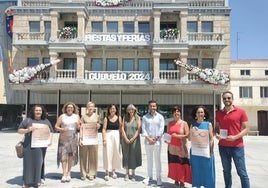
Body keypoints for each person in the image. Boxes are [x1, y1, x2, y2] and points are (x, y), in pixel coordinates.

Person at [215, 91, 250, 188]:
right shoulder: (218, 113)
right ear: (222, 100)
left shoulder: (241, 112)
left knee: (242, 172)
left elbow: (247, 128)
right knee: (226, 171)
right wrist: (216, 134)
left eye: (228, 98)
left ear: (232, 99)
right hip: (223, 147)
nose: (227, 100)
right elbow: (216, 127)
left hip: (237, 147)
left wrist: (235, 137)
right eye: (225, 98)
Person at [18, 105, 53, 188]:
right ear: (33, 111)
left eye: (40, 110)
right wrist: (27, 130)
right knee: (28, 164)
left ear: (42, 112)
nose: (38, 112)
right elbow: (19, 130)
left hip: (41, 147)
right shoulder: (28, 120)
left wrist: (50, 141)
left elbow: (51, 131)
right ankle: (26, 182)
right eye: (36, 110)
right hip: (28, 146)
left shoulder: (46, 121)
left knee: (39, 163)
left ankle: (37, 181)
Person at [189, 106, 215, 188]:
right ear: (195, 114)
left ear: (204, 114)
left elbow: (211, 139)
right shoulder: (192, 125)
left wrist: (211, 151)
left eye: (202, 112)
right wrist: (193, 131)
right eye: (198, 112)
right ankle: (197, 185)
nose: (200, 114)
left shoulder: (208, 124)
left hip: (206, 151)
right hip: (195, 152)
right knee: (196, 170)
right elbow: (189, 138)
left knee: (207, 171)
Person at [55, 102, 81, 183]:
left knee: (70, 155)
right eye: (68, 107)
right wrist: (62, 129)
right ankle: (64, 173)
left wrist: (77, 126)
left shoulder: (76, 116)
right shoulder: (62, 116)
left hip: (73, 137)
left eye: (71, 107)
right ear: (65, 108)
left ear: (74, 109)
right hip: (63, 137)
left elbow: (80, 128)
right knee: (63, 156)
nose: (70, 109)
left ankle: (69, 172)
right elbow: (56, 127)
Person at [166, 106, 192, 188]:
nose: (176, 113)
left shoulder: (184, 123)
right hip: (172, 148)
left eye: (178, 111)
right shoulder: (170, 123)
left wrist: (177, 136)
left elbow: (188, 136)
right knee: (174, 165)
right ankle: (176, 180)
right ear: (172, 113)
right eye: (174, 111)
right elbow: (168, 135)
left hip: (181, 148)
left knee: (182, 165)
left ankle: (182, 181)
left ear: (180, 113)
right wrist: (167, 140)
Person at [142, 100, 165, 186]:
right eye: (151, 106)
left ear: (156, 107)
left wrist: (155, 138)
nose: (152, 108)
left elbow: (161, 129)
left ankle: (158, 177)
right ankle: (149, 176)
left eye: (154, 106)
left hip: (157, 142)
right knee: (149, 160)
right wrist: (149, 139)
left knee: (157, 160)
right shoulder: (145, 117)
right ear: (148, 107)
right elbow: (143, 129)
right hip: (148, 142)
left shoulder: (160, 117)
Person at [79, 101, 100, 181]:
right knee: (83, 156)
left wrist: (98, 126)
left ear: (94, 108)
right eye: (89, 106)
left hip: (93, 139)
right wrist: (80, 139)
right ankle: (83, 173)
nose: (91, 108)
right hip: (85, 139)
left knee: (93, 157)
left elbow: (99, 125)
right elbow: (81, 128)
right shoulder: (83, 117)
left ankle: (92, 173)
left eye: (92, 106)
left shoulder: (97, 116)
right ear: (87, 108)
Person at [121, 104, 142, 181]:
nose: (131, 111)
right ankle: (126, 173)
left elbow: (138, 129)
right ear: (127, 110)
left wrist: (133, 138)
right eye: (129, 109)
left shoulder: (138, 118)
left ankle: (133, 173)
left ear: (134, 110)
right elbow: (122, 128)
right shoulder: (125, 118)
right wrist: (125, 138)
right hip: (125, 139)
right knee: (126, 155)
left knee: (133, 155)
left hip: (135, 139)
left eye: (132, 109)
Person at [102, 104, 122, 181]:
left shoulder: (119, 118)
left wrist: (121, 138)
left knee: (115, 153)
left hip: (116, 135)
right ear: (109, 110)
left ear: (116, 110)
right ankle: (107, 172)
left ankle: (113, 171)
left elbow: (121, 128)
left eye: (114, 108)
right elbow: (103, 129)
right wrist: (104, 139)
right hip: (108, 135)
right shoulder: (106, 118)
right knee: (107, 153)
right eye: (111, 109)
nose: (112, 110)